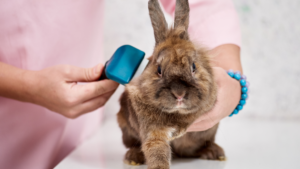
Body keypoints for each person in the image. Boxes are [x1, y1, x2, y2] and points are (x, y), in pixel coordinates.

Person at [0, 0, 242, 168]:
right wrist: (28, 85)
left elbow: (208, 4)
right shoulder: (141, 94)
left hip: (82, 135)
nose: (178, 92)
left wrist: (234, 82)